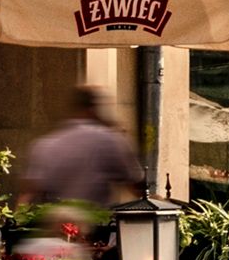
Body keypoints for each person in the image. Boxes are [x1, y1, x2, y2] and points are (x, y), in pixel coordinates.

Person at [16, 85, 147, 217]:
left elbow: (28, 193)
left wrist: (16, 223)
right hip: (96, 227)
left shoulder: (46, 144)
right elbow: (137, 184)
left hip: (57, 227)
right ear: (95, 109)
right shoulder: (109, 140)